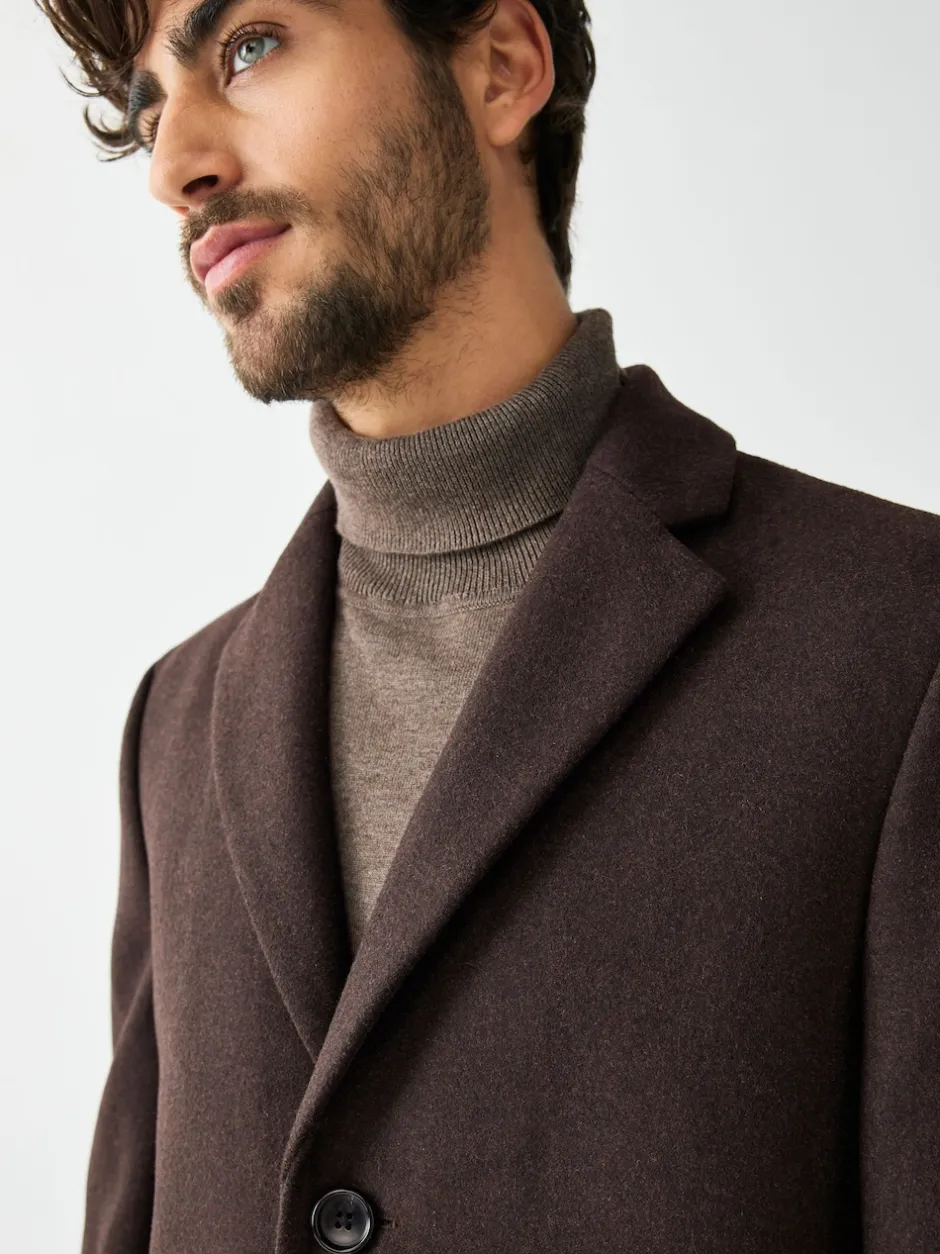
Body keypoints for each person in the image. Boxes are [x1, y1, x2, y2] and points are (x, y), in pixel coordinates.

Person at [36, 1, 940, 1251]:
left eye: (246, 47)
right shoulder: (176, 725)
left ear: (503, 68)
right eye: (147, 115)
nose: (174, 165)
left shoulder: (897, 642)